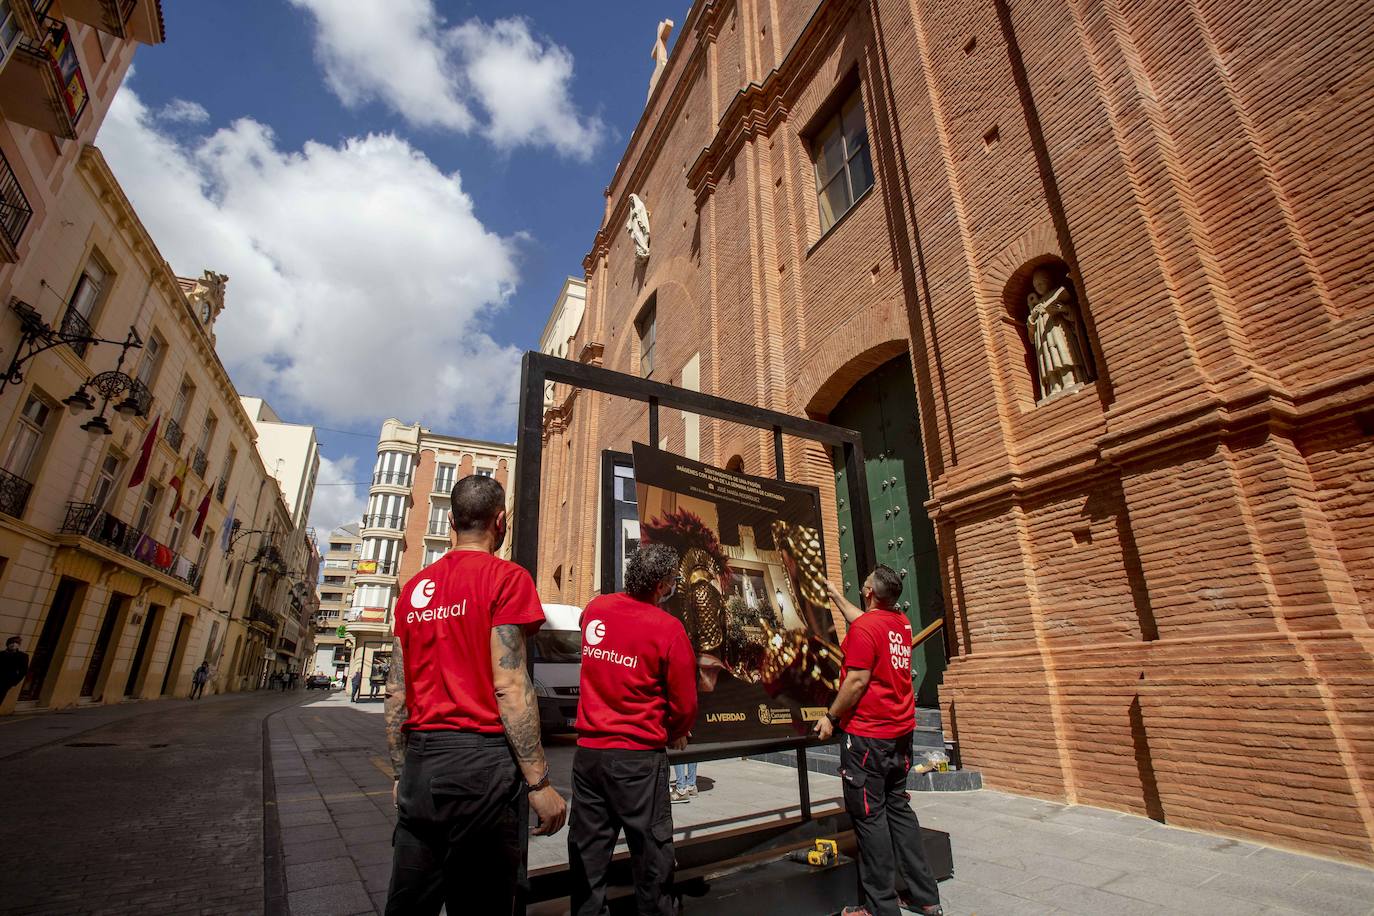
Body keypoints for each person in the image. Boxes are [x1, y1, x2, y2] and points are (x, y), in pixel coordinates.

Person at [384, 474, 566, 916]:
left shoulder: (415, 590)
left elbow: (396, 691)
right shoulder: (507, 578)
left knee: (409, 903)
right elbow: (510, 686)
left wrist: (398, 771)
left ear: (451, 520)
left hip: (422, 767)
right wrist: (539, 781)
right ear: (500, 521)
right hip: (480, 768)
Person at [568, 544, 698, 916]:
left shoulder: (597, 609)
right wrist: (677, 730)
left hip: (589, 757)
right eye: (672, 581)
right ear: (661, 585)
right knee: (651, 857)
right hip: (638, 760)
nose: (673, 586)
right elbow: (685, 704)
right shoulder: (668, 629)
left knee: (588, 857)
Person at [815, 567, 942, 916]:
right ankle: (926, 896)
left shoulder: (866, 629)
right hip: (900, 736)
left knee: (870, 820)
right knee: (899, 810)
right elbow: (864, 623)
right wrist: (835, 596)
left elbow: (856, 681)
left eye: (864, 583)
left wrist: (831, 717)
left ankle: (881, 908)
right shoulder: (898, 623)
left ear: (869, 591)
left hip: (868, 739)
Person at [1, 636, 30, 705]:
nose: (14, 644)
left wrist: (14, 681)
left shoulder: (23, 656)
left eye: (17, 642)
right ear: (7, 644)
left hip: (6, 682)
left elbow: (23, 671)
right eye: (12, 642)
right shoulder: (1, 654)